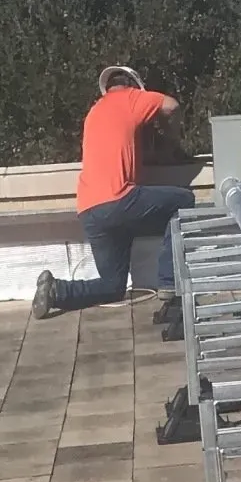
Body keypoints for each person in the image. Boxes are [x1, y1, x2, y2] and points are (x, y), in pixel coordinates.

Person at [32, 66, 190, 319]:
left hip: (90, 209)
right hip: (119, 200)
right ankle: (170, 283)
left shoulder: (94, 112)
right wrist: (173, 140)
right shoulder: (131, 98)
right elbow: (171, 106)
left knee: (113, 285)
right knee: (183, 201)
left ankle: (56, 291)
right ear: (134, 85)